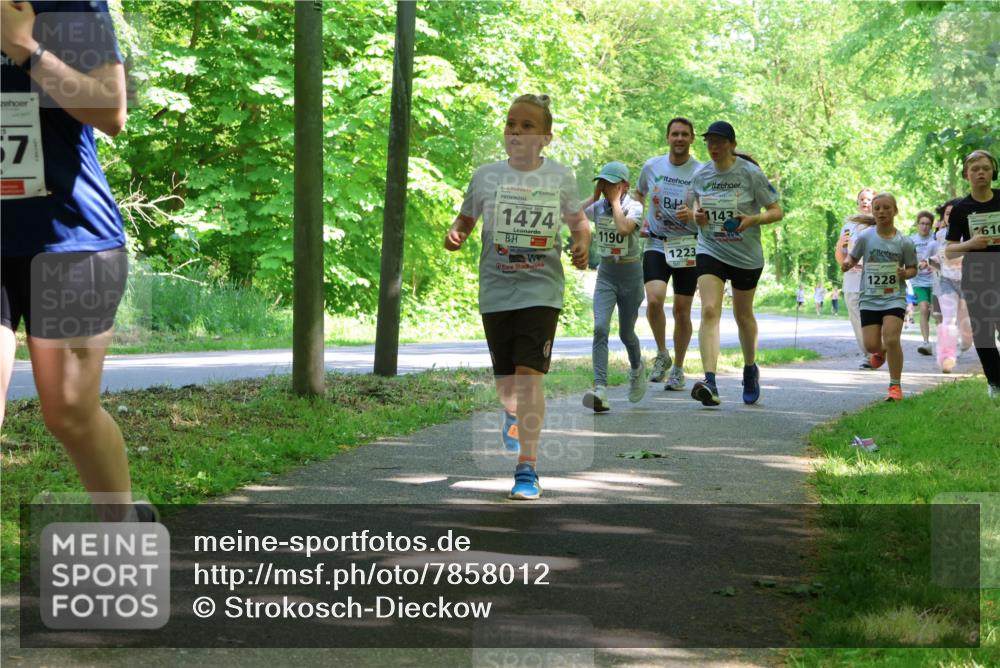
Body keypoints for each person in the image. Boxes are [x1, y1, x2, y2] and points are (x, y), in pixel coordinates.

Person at [1, 1, 156, 522]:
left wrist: (24, 47)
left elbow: (111, 110)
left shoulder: (69, 5)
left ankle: (123, 525)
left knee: (68, 410)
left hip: (70, 240)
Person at [445, 94, 590, 499]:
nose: (516, 131)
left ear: (546, 137)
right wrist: (456, 234)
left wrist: (581, 245)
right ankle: (510, 416)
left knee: (529, 379)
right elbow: (466, 218)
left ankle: (527, 469)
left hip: (542, 289)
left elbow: (578, 222)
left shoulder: (560, 176)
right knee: (508, 388)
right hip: (496, 289)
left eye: (527, 126)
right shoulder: (486, 176)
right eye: (511, 124)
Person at [676, 121, 783, 406]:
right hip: (711, 248)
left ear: (732, 145)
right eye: (709, 142)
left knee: (743, 315)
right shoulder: (701, 175)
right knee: (710, 309)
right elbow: (694, 207)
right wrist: (697, 215)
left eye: (719, 142)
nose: (713, 147)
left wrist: (753, 219)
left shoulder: (750, 173)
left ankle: (750, 368)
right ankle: (710, 381)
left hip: (746, 255)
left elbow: (776, 211)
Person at [635, 117, 703, 391]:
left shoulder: (701, 171)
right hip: (656, 242)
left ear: (691, 139)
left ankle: (678, 368)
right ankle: (662, 354)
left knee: (682, 310)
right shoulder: (652, 166)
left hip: (687, 244)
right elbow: (637, 194)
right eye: (675, 134)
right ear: (667, 137)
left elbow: (706, 210)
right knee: (653, 300)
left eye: (684, 134)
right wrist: (640, 219)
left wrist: (694, 215)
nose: (679, 138)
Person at [580, 162, 646, 412]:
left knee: (626, 333)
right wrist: (594, 197)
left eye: (611, 184)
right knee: (600, 328)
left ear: (624, 186)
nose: (606, 188)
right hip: (606, 275)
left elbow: (623, 228)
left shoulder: (635, 206)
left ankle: (637, 367)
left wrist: (616, 202)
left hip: (630, 277)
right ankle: (600, 389)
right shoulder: (598, 206)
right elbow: (571, 215)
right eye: (603, 183)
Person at [841, 192, 918, 401]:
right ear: (873, 212)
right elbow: (853, 256)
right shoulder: (866, 237)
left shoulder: (905, 242)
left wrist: (905, 273)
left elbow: (913, 268)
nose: (881, 212)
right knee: (871, 345)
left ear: (895, 211)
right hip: (870, 297)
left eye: (886, 207)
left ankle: (895, 386)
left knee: (892, 339)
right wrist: (847, 263)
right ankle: (881, 352)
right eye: (877, 208)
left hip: (894, 297)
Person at [945, 149, 1000, 403]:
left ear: (993, 172)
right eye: (975, 169)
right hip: (978, 274)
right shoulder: (960, 209)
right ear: (967, 174)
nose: (980, 172)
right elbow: (949, 250)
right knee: (983, 332)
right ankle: (995, 381)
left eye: (985, 168)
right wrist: (971, 244)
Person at [928, 198, 972, 373]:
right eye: (948, 214)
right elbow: (939, 256)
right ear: (944, 217)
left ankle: (964, 344)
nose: (951, 217)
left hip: (968, 282)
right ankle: (947, 357)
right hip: (947, 281)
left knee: (966, 327)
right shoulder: (940, 235)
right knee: (948, 319)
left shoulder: (970, 233)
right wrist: (929, 262)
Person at [835, 188, 876, 367]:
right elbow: (841, 257)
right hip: (852, 279)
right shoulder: (848, 226)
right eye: (862, 199)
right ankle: (869, 355)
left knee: (873, 316)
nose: (865, 202)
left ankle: (877, 350)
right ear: (857, 202)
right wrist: (839, 246)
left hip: (873, 278)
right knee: (857, 319)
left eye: (869, 199)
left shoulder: (880, 224)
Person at [910, 210, 937, 355]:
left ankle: (946, 341)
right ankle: (926, 343)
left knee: (936, 312)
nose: (924, 227)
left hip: (935, 280)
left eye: (927, 224)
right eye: (922, 223)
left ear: (931, 226)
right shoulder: (911, 240)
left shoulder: (936, 239)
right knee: (924, 308)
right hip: (918, 281)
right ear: (917, 224)